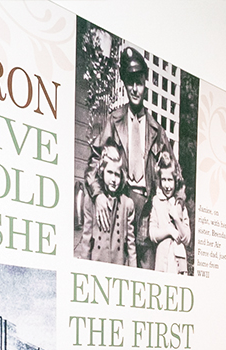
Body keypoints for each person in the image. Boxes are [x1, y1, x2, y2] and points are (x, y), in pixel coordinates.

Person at [88, 46, 176, 269]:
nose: (135, 89)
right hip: (120, 205)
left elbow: (176, 175)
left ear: (145, 83)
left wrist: (175, 208)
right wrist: (98, 195)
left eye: (139, 83)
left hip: (147, 211)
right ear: (125, 84)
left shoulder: (157, 131)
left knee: (145, 273)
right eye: (130, 83)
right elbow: (94, 163)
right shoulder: (114, 121)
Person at [80, 139, 136, 266]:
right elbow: (86, 240)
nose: (113, 179)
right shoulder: (90, 202)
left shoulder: (127, 204)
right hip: (97, 264)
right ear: (102, 171)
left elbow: (131, 246)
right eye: (109, 172)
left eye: (117, 174)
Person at [147, 151, 191, 275]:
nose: (167, 185)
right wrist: (168, 231)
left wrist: (177, 218)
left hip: (179, 265)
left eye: (170, 180)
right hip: (162, 263)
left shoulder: (180, 204)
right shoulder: (156, 201)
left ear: (176, 180)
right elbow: (152, 233)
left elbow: (187, 238)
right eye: (164, 180)